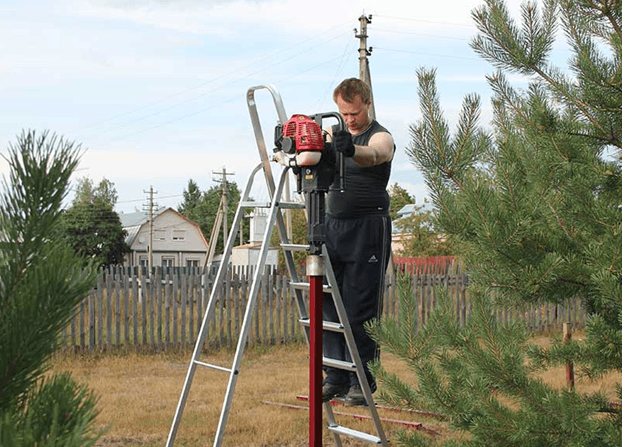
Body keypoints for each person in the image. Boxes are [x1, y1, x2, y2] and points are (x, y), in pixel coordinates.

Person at [322, 78, 395, 406]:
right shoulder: (333, 134)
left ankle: (361, 380)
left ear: (366, 103)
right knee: (326, 305)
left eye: (353, 113)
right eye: (343, 113)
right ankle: (335, 375)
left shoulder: (380, 136)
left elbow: (376, 155)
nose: (349, 119)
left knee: (359, 309)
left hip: (368, 229)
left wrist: (351, 149)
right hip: (332, 227)